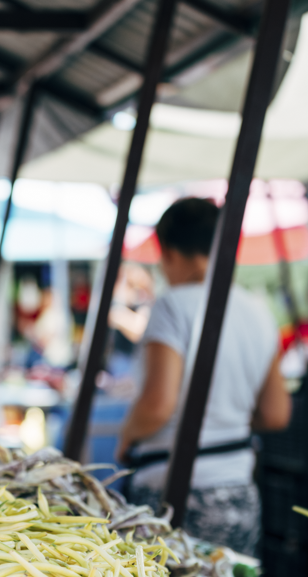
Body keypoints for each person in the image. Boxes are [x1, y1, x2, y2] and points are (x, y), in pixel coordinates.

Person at [118, 197, 291, 555]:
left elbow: (158, 405)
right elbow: (276, 413)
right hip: (239, 494)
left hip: (177, 492)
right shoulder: (257, 310)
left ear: (168, 253)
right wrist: (228, 419)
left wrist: (127, 435)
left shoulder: (172, 305)